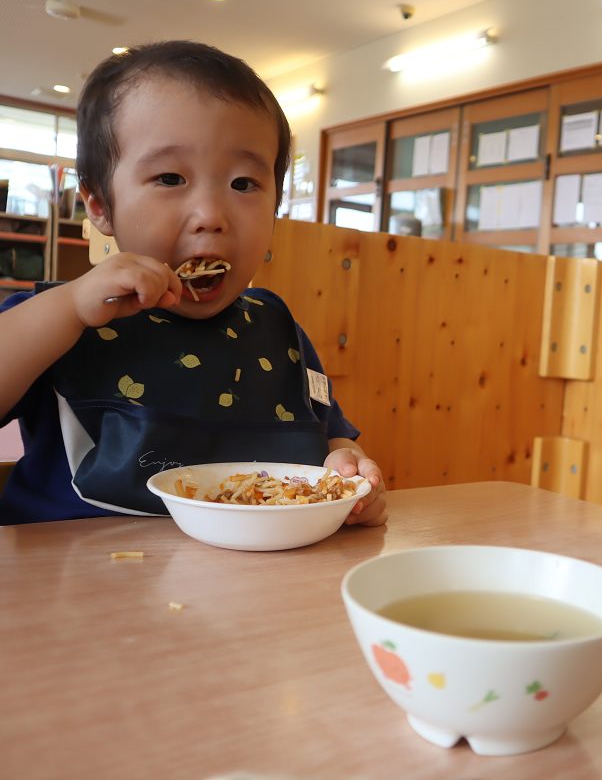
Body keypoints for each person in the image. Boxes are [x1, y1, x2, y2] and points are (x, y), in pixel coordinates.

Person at [0, 41, 386, 527]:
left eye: (243, 184)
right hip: (73, 567)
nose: (210, 215)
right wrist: (69, 308)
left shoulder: (279, 331)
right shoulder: (57, 320)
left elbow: (330, 439)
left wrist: (349, 472)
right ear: (99, 205)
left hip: (255, 570)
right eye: (169, 178)